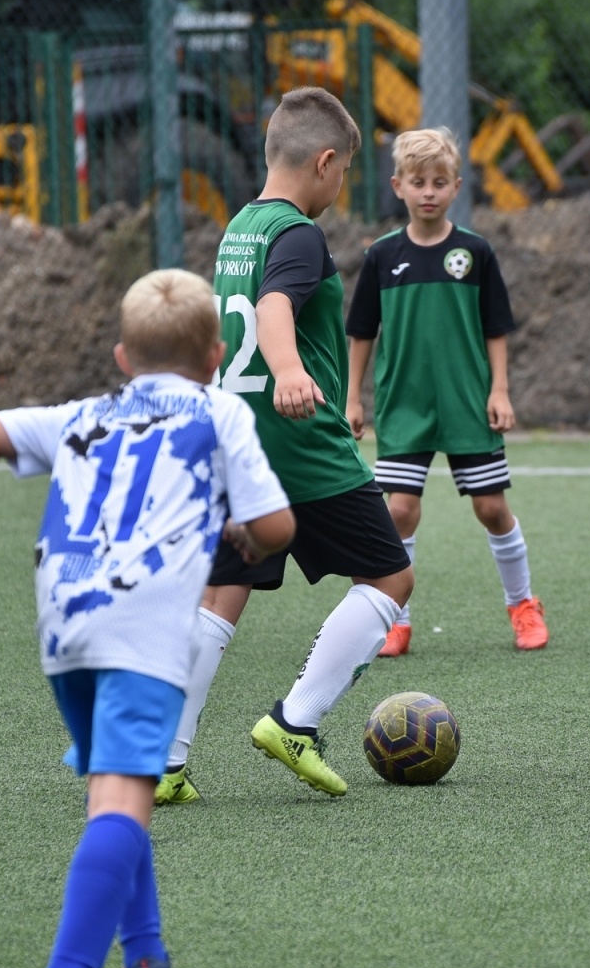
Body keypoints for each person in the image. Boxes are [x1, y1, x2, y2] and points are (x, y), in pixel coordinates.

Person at [0, 269, 294, 968]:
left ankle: (147, 960)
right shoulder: (220, 411)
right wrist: (243, 534)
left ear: (124, 357)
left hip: (65, 625)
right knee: (126, 800)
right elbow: (278, 525)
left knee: (113, 792)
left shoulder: (84, 413)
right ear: (216, 354)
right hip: (143, 628)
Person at [154, 86, 414, 806]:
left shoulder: (242, 225)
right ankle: (293, 721)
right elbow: (273, 311)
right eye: (346, 173)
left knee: (221, 595)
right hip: (297, 446)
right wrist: (295, 372)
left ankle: (165, 763)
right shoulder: (299, 233)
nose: (342, 187)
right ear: (325, 163)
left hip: (237, 444)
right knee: (392, 579)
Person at [343, 127, 548, 658]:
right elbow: (361, 333)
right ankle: (395, 619)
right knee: (401, 511)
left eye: (439, 181)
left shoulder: (475, 253)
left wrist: (499, 391)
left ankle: (523, 605)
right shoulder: (382, 256)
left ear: (457, 186)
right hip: (404, 402)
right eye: (418, 182)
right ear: (398, 186)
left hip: (466, 401)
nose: (428, 191)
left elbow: (495, 327)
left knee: (490, 507)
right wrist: (353, 398)